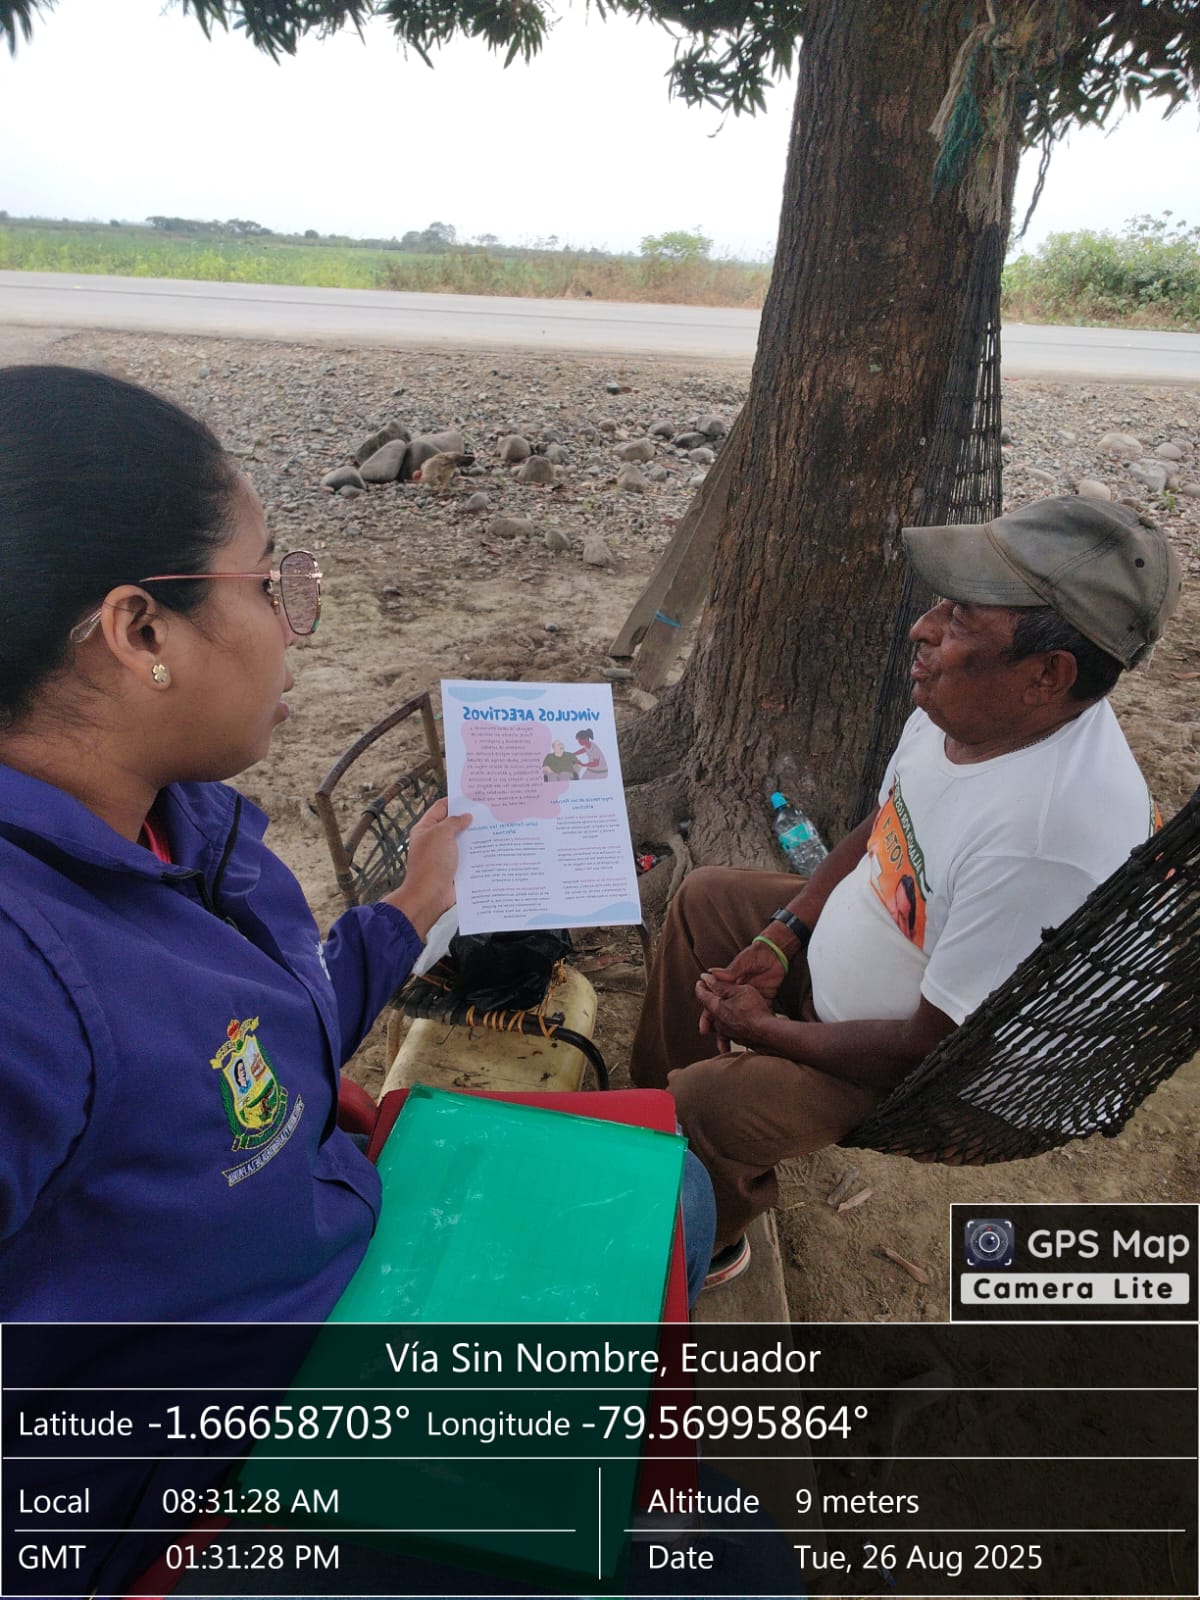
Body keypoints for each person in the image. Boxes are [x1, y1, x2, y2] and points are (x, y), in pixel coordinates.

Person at [0, 367, 716, 1593]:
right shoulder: (23, 968)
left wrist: (406, 911)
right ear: (139, 632)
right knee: (719, 1566)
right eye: (268, 581)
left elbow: (251, 1056)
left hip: (326, 1235)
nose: (295, 620)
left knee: (679, 1191)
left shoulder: (173, 821)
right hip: (202, 1474)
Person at [631, 495, 1182, 1285]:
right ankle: (646, 1129)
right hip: (870, 967)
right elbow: (886, 820)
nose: (924, 629)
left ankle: (706, 1237)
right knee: (706, 899)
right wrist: (785, 933)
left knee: (710, 1105)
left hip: (913, 1073)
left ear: (1047, 675)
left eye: (961, 618)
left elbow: (931, 1049)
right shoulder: (970, 707)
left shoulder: (1050, 840)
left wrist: (767, 1031)